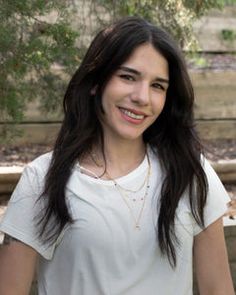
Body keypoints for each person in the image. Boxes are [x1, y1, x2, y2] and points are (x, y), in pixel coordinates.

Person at [0, 16, 234, 295]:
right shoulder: (43, 179)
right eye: (127, 77)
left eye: (157, 85)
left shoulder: (190, 172)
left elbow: (218, 289)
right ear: (96, 81)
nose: (142, 97)